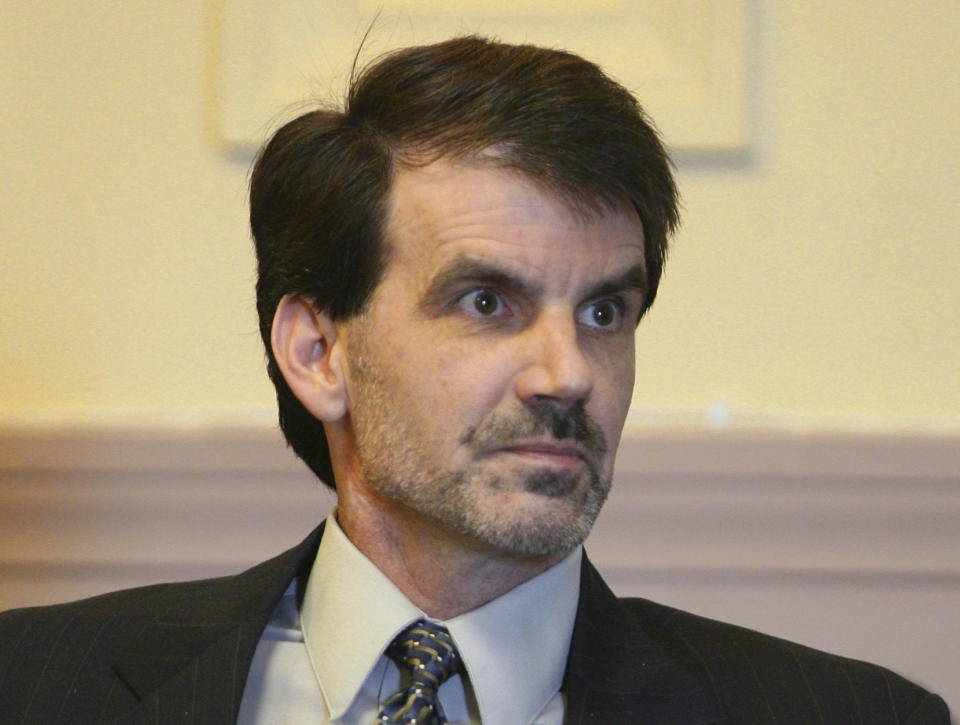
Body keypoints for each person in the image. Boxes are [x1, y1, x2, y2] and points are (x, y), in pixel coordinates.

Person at [0, 36, 950, 725]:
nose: (569, 374)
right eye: (488, 302)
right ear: (319, 352)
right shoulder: (34, 684)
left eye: (604, 312)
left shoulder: (852, 714)